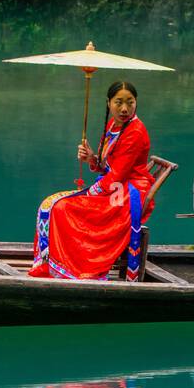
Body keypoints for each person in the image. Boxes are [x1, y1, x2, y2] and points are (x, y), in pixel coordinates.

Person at [30, 80, 154, 280]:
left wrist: (89, 193)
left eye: (130, 102)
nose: (124, 108)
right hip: (114, 185)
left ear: (136, 102)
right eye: (118, 102)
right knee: (51, 204)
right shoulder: (115, 124)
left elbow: (116, 175)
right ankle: (60, 262)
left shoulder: (135, 132)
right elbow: (108, 167)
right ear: (108, 103)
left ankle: (73, 266)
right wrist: (91, 158)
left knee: (62, 208)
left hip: (126, 192)